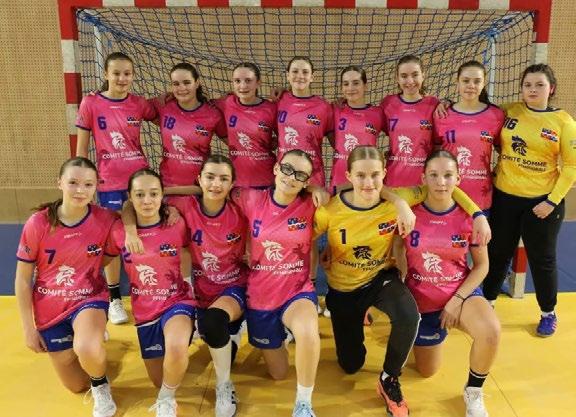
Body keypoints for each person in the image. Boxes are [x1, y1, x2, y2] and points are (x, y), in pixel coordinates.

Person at [314, 145, 488, 417]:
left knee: (409, 315)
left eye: (375, 175)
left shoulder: (401, 198)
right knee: (350, 364)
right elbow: (300, 237)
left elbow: (447, 187)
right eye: (360, 176)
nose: (368, 183)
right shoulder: (330, 210)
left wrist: (477, 214)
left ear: (385, 174)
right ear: (348, 176)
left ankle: (389, 378)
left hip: (381, 278)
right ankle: (358, 317)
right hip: (344, 288)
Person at [394, 150, 500, 417]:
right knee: (427, 371)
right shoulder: (409, 214)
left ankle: (473, 392)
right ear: (423, 179)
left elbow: (482, 266)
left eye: (448, 175)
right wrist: (401, 279)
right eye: (434, 175)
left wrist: (457, 300)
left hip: (459, 295)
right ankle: (428, 334)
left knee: (490, 331)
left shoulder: (469, 218)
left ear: (458, 179)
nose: (441, 182)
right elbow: (396, 250)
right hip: (422, 301)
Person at [15, 157, 117, 417]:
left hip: (88, 298)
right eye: (73, 183)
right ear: (59, 183)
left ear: (96, 187)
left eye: (88, 184)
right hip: (50, 308)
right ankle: (87, 343)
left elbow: (133, 214)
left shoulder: (105, 218)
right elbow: (23, 279)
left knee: (87, 349)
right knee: (76, 385)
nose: (80, 190)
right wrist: (28, 329)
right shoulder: (38, 223)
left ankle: (100, 383)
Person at [230, 149, 328, 417]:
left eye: (300, 175)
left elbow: (341, 198)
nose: (291, 177)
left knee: (308, 332)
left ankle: (303, 404)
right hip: (261, 297)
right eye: (287, 169)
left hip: (296, 291)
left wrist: (320, 190)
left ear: (306, 182)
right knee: (278, 373)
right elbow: (214, 190)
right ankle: (278, 333)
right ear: (275, 169)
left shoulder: (312, 205)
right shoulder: (250, 198)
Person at [481, 64, 576, 336]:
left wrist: (552, 202)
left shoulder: (564, 122)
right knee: (497, 253)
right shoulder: (510, 111)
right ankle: (487, 305)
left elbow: (572, 167)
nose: (532, 90)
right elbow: (480, 113)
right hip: (505, 198)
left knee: (542, 260)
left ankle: (548, 313)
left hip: (541, 203)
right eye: (527, 85)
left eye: (539, 85)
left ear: (551, 88)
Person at [76, 51, 157, 325]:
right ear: (106, 74)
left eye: (127, 74)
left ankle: (147, 291)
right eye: (117, 73)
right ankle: (114, 299)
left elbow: (164, 113)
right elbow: (82, 149)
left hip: (140, 181)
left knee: (144, 236)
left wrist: (170, 97)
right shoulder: (91, 102)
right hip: (109, 181)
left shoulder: (139, 104)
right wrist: (83, 183)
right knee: (113, 239)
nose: (122, 78)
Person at [106, 168, 195, 417]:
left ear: (162, 195)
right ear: (130, 197)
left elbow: (193, 249)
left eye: (154, 194)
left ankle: (166, 398)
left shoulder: (177, 224)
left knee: (176, 347)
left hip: (177, 301)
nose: (147, 200)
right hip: (145, 311)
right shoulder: (118, 231)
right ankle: (164, 385)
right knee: (158, 378)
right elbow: (99, 261)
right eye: (140, 194)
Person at [166, 155, 248, 417]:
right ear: (199, 179)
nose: (216, 184)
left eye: (224, 179)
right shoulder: (184, 205)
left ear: (232, 184)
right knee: (211, 338)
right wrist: (168, 205)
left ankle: (224, 386)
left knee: (213, 323)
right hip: (201, 291)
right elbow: (132, 201)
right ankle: (231, 334)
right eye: (210, 177)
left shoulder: (240, 208)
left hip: (234, 287)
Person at [433, 60, 505, 211]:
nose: (471, 85)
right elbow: (433, 153)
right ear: (457, 82)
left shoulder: (496, 115)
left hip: (480, 197)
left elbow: (504, 151)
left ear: (484, 83)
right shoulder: (442, 114)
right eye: (466, 81)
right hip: (448, 196)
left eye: (477, 81)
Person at [153, 62, 227, 193]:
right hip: (167, 186)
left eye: (187, 83)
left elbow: (234, 143)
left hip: (199, 189)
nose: (181, 88)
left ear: (197, 83)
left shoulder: (212, 114)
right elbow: (132, 108)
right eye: (176, 84)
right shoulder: (163, 106)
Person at [214, 62, 277, 188]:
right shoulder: (226, 103)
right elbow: (199, 104)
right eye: (237, 81)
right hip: (236, 181)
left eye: (248, 80)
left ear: (258, 82)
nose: (242, 86)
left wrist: (285, 90)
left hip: (266, 179)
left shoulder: (271, 108)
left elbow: (284, 137)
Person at [380, 55, 439, 187]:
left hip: (424, 182)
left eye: (415, 75)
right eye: (404, 76)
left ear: (423, 75)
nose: (410, 81)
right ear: (397, 78)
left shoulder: (434, 104)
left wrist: (447, 102)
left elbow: (439, 144)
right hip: (393, 180)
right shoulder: (388, 103)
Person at [276, 57, 334, 188]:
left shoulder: (324, 107)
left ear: (312, 77)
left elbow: (338, 143)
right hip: (285, 175)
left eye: (305, 72)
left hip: (312, 177)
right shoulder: (278, 101)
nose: (300, 76)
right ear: (288, 76)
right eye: (295, 71)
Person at [330, 65, 384, 194]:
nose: (350, 88)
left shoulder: (378, 113)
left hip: (367, 182)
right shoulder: (335, 110)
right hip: (339, 181)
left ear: (365, 86)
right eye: (346, 84)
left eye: (356, 83)